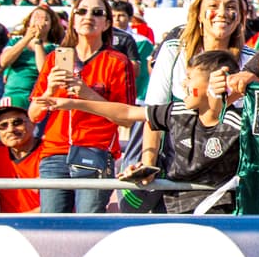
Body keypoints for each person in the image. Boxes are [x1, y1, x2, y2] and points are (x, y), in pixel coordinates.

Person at [43, 50, 243, 214]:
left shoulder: (239, 125)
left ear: (216, 83)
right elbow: (127, 112)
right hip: (171, 209)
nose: (183, 84)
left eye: (189, 78)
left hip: (215, 212)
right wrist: (71, 103)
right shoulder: (177, 111)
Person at [138, 0, 255, 203]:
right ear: (199, 14)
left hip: (227, 185)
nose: (223, 12)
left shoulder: (252, 61)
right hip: (177, 178)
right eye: (213, 5)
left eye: (231, 7)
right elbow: (153, 117)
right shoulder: (174, 51)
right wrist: (148, 164)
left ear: (241, 16)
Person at [28, 0, 135, 214]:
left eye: (97, 13)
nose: (89, 17)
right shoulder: (54, 58)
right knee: (51, 225)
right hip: (54, 153)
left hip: (96, 151)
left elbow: (126, 119)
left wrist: (87, 93)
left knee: (88, 224)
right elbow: (34, 115)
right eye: (82, 11)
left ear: (107, 23)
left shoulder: (118, 61)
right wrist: (49, 90)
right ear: (73, 20)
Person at [0, 95, 42, 214]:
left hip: (48, 222)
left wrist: (16, 220)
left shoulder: (48, 152)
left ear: (33, 122)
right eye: (3, 125)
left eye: (17, 122)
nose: (10, 130)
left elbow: (56, 204)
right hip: (8, 223)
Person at [0, 5, 64, 103]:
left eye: (45, 19)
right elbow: (4, 62)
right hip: (13, 94)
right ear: (29, 22)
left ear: (51, 26)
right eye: (36, 17)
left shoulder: (55, 48)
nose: (40, 21)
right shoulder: (15, 41)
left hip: (39, 96)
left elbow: (44, 71)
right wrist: (28, 37)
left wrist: (38, 40)